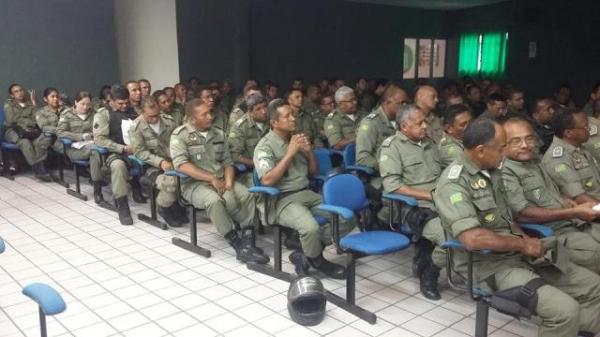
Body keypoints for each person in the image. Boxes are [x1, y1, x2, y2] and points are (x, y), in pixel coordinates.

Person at [434, 118, 600, 337]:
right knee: (564, 311)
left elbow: (507, 221)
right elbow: (473, 239)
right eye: (502, 147)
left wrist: (526, 243)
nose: (505, 152)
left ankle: (578, 331)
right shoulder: (454, 184)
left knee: (594, 286)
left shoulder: (492, 172)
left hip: (518, 254)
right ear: (481, 150)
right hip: (490, 266)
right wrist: (522, 245)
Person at [253, 99, 355, 279]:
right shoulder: (265, 146)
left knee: (347, 217)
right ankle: (317, 261)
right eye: (287, 116)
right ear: (274, 123)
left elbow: (313, 172)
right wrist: (290, 153)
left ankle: (307, 252)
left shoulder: (297, 139)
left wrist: (309, 153)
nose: (293, 119)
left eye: (293, 114)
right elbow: (267, 180)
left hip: (306, 192)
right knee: (310, 227)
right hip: (282, 199)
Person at [170, 99, 268, 263]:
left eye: (211, 112)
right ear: (192, 119)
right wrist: (212, 178)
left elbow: (228, 162)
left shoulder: (218, 133)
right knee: (214, 201)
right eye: (205, 114)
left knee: (247, 195)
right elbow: (181, 165)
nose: (210, 116)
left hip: (222, 179)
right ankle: (237, 245)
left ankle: (248, 241)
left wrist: (229, 183)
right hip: (194, 184)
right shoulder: (180, 135)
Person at [501, 117, 600, 273]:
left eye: (529, 138)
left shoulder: (535, 161)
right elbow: (522, 215)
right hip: (551, 233)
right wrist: (573, 212)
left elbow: (549, 192)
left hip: (574, 222)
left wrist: (566, 200)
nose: (525, 145)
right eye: (516, 141)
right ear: (503, 144)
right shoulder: (505, 172)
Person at [377, 104, 445, 299]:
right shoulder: (392, 147)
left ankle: (425, 256)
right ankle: (430, 275)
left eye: (425, 121)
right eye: (420, 123)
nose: (425, 126)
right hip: (412, 206)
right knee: (446, 236)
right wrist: (430, 196)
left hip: (439, 200)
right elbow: (394, 186)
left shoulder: (429, 143)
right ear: (404, 126)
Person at [92, 85, 147, 225]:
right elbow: (99, 139)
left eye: (126, 102)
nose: (124, 106)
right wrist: (121, 148)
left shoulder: (133, 111)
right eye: (120, 103)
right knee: (118, 166)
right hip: (116, 152)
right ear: (111, 100)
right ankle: (122, 205)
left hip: (137, 150)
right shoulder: (103, 114)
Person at [130, 96, 187, 227]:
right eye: (151, 116)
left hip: (173, 162)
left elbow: (180, 141)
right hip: (151, 167)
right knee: (170, 182)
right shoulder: (136, 127)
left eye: (157, 114)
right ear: (142, 112)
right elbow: (140, 152)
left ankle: (177, 206)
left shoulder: (169, 121)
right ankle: (163, 207)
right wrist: (160, 162)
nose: (155, 118)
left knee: (186, 177)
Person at [542, 108, 600, 203]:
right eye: (585, 127)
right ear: (568, 133)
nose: (589, 128)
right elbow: (580, 198)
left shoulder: (580, 147)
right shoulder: (557, 160)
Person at [3, 83, 51, 181]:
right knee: (25, 142)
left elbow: (37, 118)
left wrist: (33, 103)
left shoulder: (30, 103)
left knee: (41, 141)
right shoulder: (8, 104)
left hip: (29, 131)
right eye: (16, 92)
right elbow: (11, 120)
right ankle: (37, 169)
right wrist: (27, 118)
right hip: (13, 131)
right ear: (12, 95)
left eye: (21, 90)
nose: (20, 93)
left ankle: (41, 166)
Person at [56, 91, 102, 182]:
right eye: (82, 104)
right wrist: (80, 136)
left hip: (92, 143)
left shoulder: (94, 113)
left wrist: (92, 135)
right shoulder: (67, 114)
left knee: (95, 152)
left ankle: (96, 182)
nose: (85, 107)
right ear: (76, 102)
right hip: (74, 148)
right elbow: (60, 132)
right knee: (95, 150)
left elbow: (99, 129)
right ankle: (97, 181)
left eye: (88, 104)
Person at [227, 93, 269, 186]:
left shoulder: (272, 121)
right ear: (250, 112)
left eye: (265, 107)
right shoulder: (240, 127)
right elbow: (235, 156)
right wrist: (260, 165)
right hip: (250, 171)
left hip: (273, 166)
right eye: (258, 109)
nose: (263, 111)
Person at [323, 86, 367, 150]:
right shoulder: (332, 120)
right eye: (351, 100)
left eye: (355, 99)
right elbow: (337, 145)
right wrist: (361, 137)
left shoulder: (363, 114)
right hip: (351, 155)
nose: (355, 102)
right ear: (340, 104)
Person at [35, 87, 65, 174]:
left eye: (57, 96)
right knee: (44, 138)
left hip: (70, 136)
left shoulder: (65, 110)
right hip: (54, 138)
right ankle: (41, 166)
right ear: (45, 99)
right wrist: (61, 131)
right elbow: (44, 127)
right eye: (52, 96)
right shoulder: (41, 112)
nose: (56, 99)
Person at [439, 104, 472, 169]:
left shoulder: (464, 139)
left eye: (470, 122)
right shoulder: (450, 149)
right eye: (463, 125)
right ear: (449, 128)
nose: (470, 126)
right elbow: (469, 169)